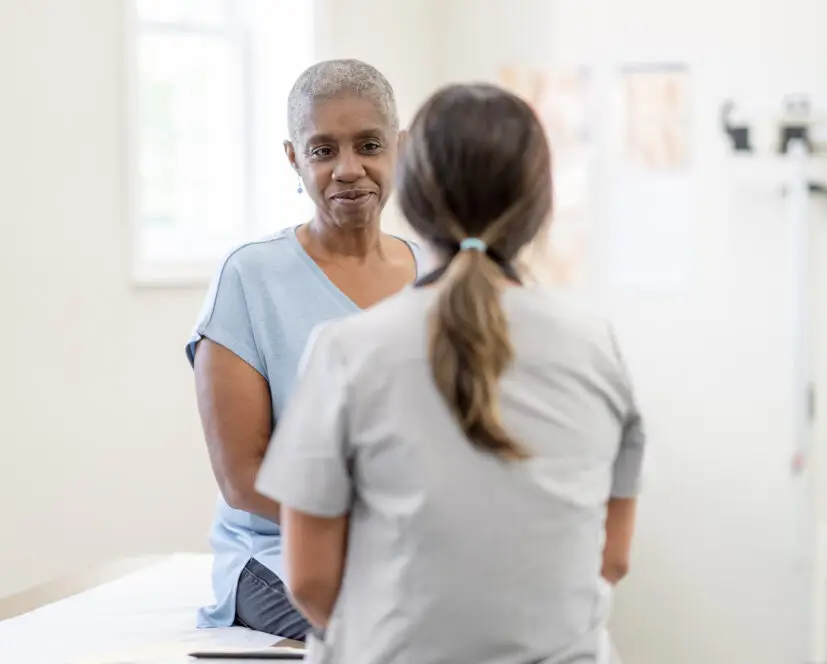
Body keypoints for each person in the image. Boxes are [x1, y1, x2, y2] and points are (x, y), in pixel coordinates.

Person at [256, 83, 646, 663]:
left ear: (411, 198)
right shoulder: (597, 348)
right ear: (540, 209)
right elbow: (610, 560)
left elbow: (310, 582)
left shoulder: (346, 351)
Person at [186, 59, 427, 639]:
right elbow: (243, 478)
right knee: (401, 628)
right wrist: (383, 528)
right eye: (322, 151)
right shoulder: (250, 278)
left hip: (415, 546)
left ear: (400, 146)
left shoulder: (435, 273)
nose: (349, 170)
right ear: (294, 158)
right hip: (279, 554)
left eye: (368, 144)